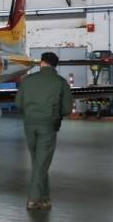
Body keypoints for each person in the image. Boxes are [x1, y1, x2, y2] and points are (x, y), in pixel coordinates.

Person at [15, 52, 74, 210]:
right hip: (47, 126)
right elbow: (67, 109)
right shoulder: (60, 82)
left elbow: (18, 103)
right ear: (55, 65)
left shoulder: (27, 80)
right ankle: (33, 199)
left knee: (39, 161)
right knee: (41, 163)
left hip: (29, 125)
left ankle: (45, 197)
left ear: (41, 63)